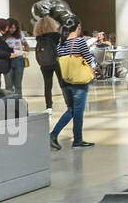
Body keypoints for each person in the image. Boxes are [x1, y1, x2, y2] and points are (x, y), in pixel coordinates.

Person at [50, 16, 96, 149]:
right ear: (78, 27)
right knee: (78, 112)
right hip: (79, 82)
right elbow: (88, 58)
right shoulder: (80, 42)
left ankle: (58, 135)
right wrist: (94, 70)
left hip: (65, 81)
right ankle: (74, 140)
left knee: (71, 110)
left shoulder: (60, 44)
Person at [32, 15, 64, 113]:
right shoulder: (56, 35)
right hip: (56, 61)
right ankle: (68, 102)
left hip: (44, 64)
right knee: (62, 83)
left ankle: (49, 106)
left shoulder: (38, 38)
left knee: (47, 85)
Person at [3, 18, 27, 99]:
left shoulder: (20, 35)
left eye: (14, 28)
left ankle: (19, 103)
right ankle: (9, 104)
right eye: (11, 27)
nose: (12, 30)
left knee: (18, 84)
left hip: (19, 59)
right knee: (8, 85)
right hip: (7, 60)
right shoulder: (3, 36)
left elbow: (26, 45)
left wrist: (24, 49)